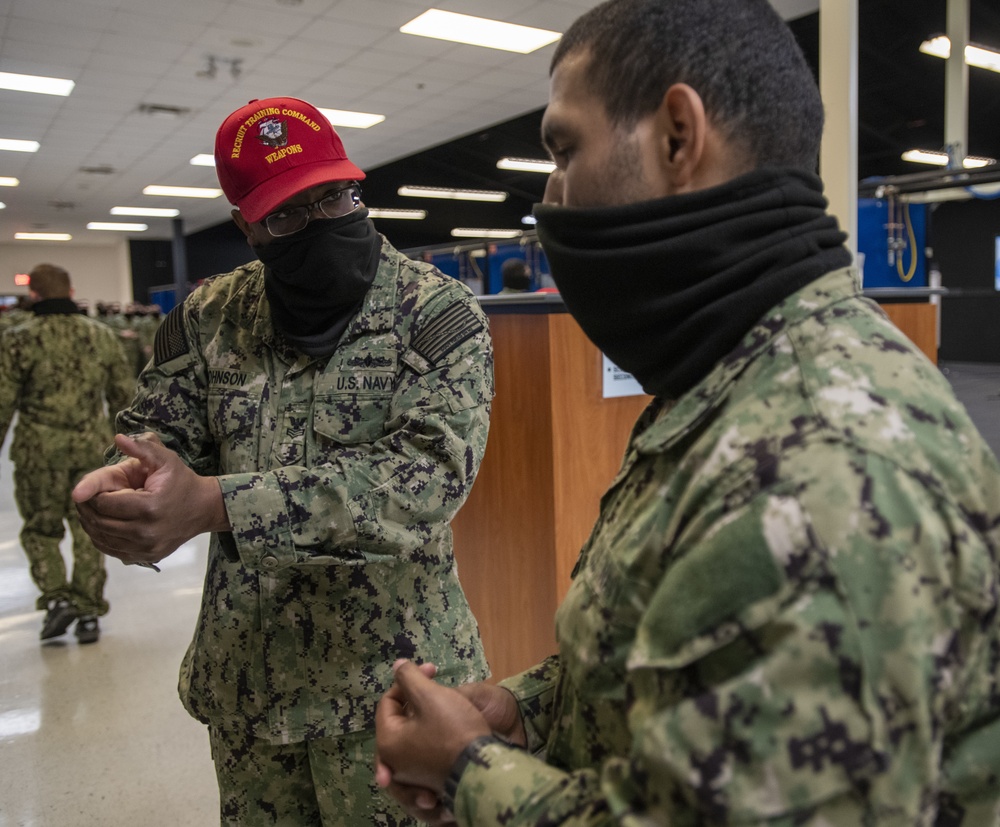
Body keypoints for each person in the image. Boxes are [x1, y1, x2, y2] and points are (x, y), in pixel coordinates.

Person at [373, 1, 1000, 824]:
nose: (550, 196)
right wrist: (527, 711)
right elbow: (673, 657)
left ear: (677, 135)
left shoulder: (816, 469)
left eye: (564, 149)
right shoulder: (741, 377)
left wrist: (469, 772)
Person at [71, 96, 494, 826]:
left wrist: (218, 503)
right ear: (247, 226)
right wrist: (124, 489)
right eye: (287, 216)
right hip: (250, 690)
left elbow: (422, 482)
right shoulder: (209, 319)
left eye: (334, 196)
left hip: (393, 689)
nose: (321, 222)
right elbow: (155, 439)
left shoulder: (436, 313)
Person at [0, 264, 134, 643]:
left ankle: (57, 599)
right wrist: (124, 451)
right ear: (71, 290)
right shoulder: (102, 336)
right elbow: (123, 398)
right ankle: (89, 611)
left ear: (35, 296)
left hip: (36, 452)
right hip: (91, 450)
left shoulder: (17, 339)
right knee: (88, 528)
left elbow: (3, 402)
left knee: (41, 530)